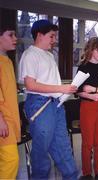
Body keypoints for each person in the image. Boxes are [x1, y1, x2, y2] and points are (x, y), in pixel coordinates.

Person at [19, 19, 78, 179]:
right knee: (41, 150)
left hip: (56, 105)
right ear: (39, 35)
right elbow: (30, 85)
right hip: (40, 105)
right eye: (51, 36)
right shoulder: (30, 54)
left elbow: (50, 82)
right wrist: (61, 88)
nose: (54, 40)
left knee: (62, 146)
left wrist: (64, 91)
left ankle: (72, 176)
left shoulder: (49, 56)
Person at [77, 37, 98, 179]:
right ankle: (86, 173)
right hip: (88, 106)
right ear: (91, 49)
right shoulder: (83, 67)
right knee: (88, 142)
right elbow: (78, 90)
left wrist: (94, 90)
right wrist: (90, 95)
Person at [0, 23, 20, 179]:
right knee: (11, 160)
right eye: (10, 35)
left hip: (9, 119)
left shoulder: (7, 60)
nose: (15, 38)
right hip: (2, 120)